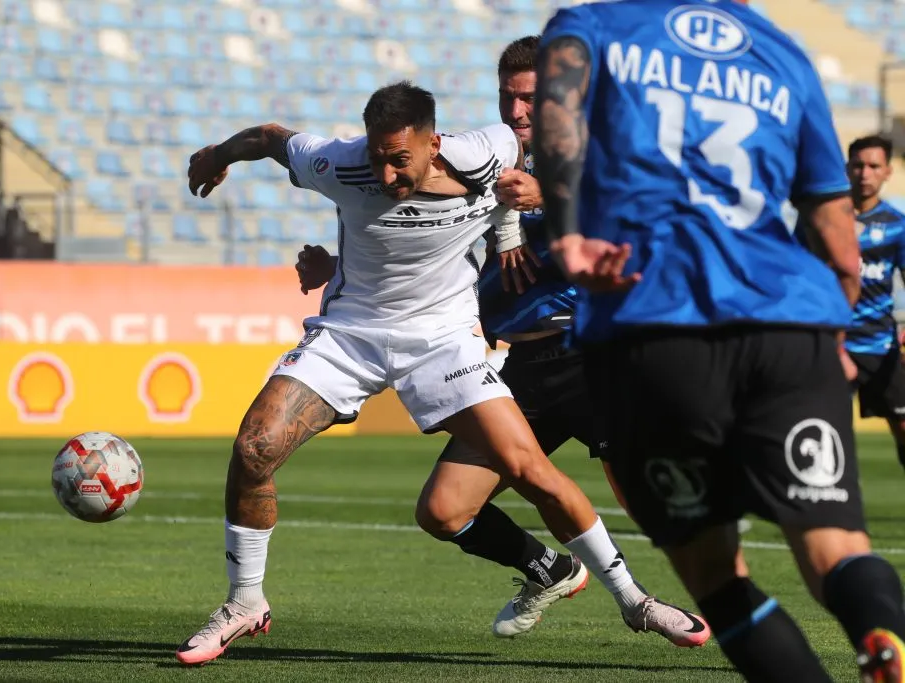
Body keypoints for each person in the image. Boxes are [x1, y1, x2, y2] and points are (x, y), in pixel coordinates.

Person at [178, 81, 637, 666]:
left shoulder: (490, 151)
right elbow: (269, 138)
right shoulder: (337, 163)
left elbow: (518, 164)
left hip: (450, 342)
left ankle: (635, 599)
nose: (387, 175)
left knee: (538, 473)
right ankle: (245, 603)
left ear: (432, 143)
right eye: (378, 157)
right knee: (254, 447)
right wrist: (217, 155)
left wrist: (511, 227)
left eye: (400, 160)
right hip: (350, 336)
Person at [533, 1, 905, 681]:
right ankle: (882, 631)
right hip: (790, 326)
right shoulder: (782, 50)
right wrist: (837, 333)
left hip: (653, 324)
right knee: (837, 549)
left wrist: (567, 231)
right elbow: (837, 234)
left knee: (715, 574)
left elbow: (557, 120)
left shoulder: (592, 27)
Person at [297, 36, 710, 648]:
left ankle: (707, 611)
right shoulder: (478, 164)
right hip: (525, 367)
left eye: (530, 98)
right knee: (443, 511)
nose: (517, 112)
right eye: (507, 97)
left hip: (600, 357)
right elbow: (430, 249)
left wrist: (556, 199)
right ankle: (546, 569)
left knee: (659, 509)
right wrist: (338, 269)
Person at [810, 136, 905, 473]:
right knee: (823, 431)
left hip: (880, 344)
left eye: (874, 166)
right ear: (847, 169)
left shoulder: (897, 225)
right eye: (858, 165)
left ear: (887, 172)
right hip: (834, 344)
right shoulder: (822, 219)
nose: (865, 173)